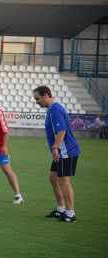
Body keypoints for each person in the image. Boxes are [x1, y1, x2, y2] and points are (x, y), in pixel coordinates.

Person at [33, 86, 80, 222]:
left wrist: (55, 147)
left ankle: (71, 214)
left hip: (66, 151)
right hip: (60, 151)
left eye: (37, 99)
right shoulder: (52, 110)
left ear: (46, 95)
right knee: (53, 178)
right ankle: (61, 210)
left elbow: (62, 131)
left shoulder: (55, 110)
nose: (36, 102)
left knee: (64, 181)